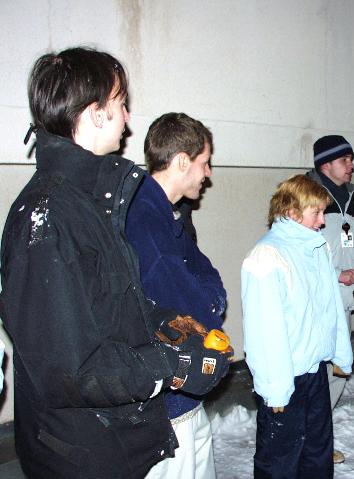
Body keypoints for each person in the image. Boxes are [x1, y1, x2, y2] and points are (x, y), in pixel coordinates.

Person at [0, 47, 231, 478]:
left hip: (116, 440)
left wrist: (170, 324)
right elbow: (67, 367)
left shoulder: (91, 203)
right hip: (82, 454)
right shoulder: (48, 216)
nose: (127, 117)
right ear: (95, 113)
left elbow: (113, 305)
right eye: (121, 103)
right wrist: (172, 366)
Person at [125, 113, 229, 478]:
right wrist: (208, 306)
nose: (208, 174)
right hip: (167, 403)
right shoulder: (143, 218)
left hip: (185, 395)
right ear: (182, 161)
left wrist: (209, 300)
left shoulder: (169, 214)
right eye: (205, 162)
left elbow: (206, 273)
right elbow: (184, 306)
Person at [241, 174, 353, 479]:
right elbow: (264, 330)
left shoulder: (316, 248)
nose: (322, 221)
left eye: (323, 212)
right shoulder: (267, 256)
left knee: (317, 453)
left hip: (314, 372)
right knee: (280, 461)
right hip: (285, 377)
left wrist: (340, 354)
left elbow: (331, 307)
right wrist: (275, 389)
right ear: (291, 212)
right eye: (316, 213)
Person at [307, 135, 354, 463]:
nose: (352, 165)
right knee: (314, 374)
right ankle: (311, 440)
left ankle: (318, 436)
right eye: (345, 160)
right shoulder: (307, 198)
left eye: (351, 159)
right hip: (316, 303)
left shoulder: (349, 199)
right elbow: (301, 255)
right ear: (326, 164)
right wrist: (337, 274)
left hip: (343, 302)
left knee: (338, 371)